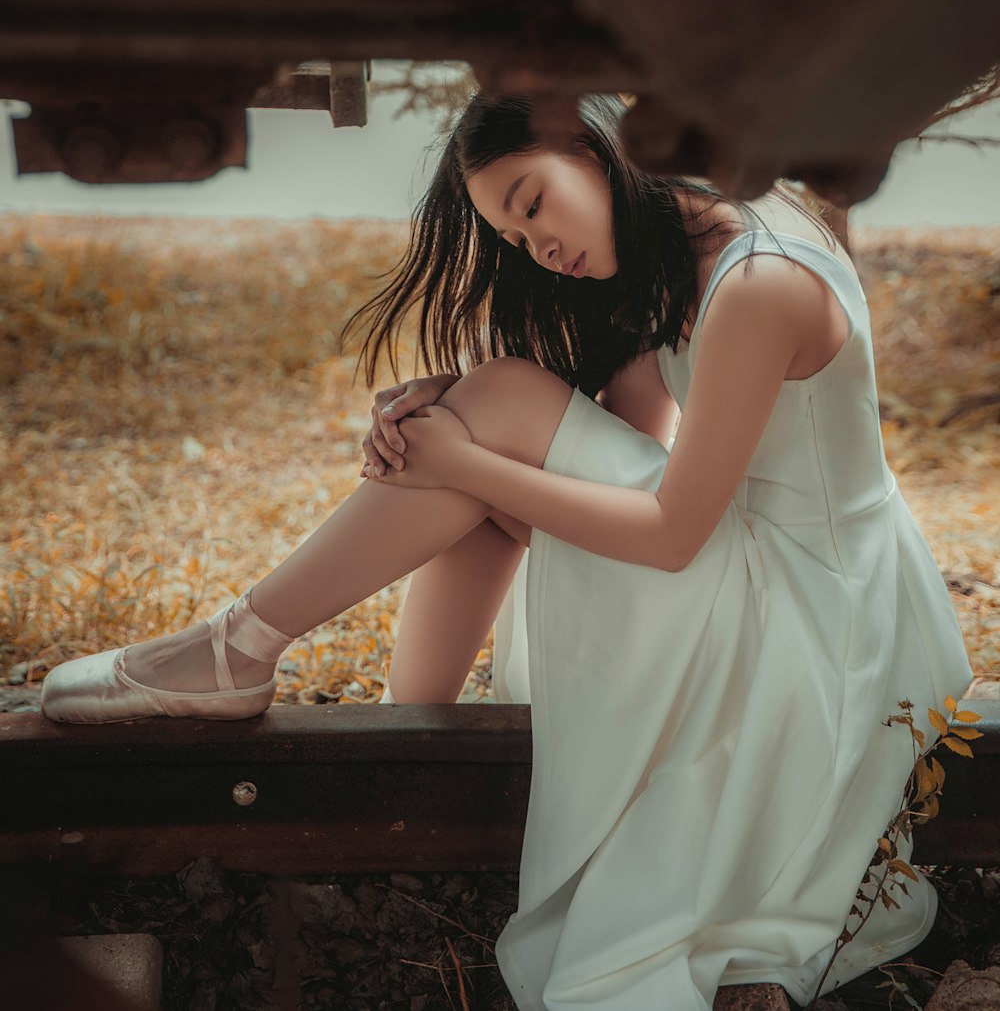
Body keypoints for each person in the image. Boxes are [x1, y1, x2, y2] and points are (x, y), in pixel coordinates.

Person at [40, 92, 974, 1011]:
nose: (540, 248)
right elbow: (633, 432)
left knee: (488, 437)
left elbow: (669, 529)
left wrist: (473, 452)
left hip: (816, 624)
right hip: (765, 568)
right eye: (517, 239)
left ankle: (236, 650)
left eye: (532, 203)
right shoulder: (681, 250)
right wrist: (458, 421)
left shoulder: (761, 281)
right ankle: (397, 730)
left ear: (601, 145)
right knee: (486, 429)